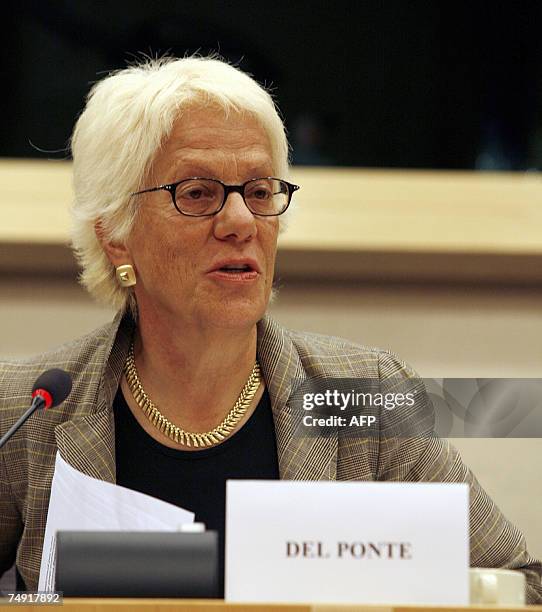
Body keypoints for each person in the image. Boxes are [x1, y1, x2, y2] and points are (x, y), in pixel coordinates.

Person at [0, 56, 541, 602]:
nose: (240, 222)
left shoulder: (364, 394)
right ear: (116, 235)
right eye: (196, 193)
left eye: (259, 193)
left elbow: (522, 584)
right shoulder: (26, 411)